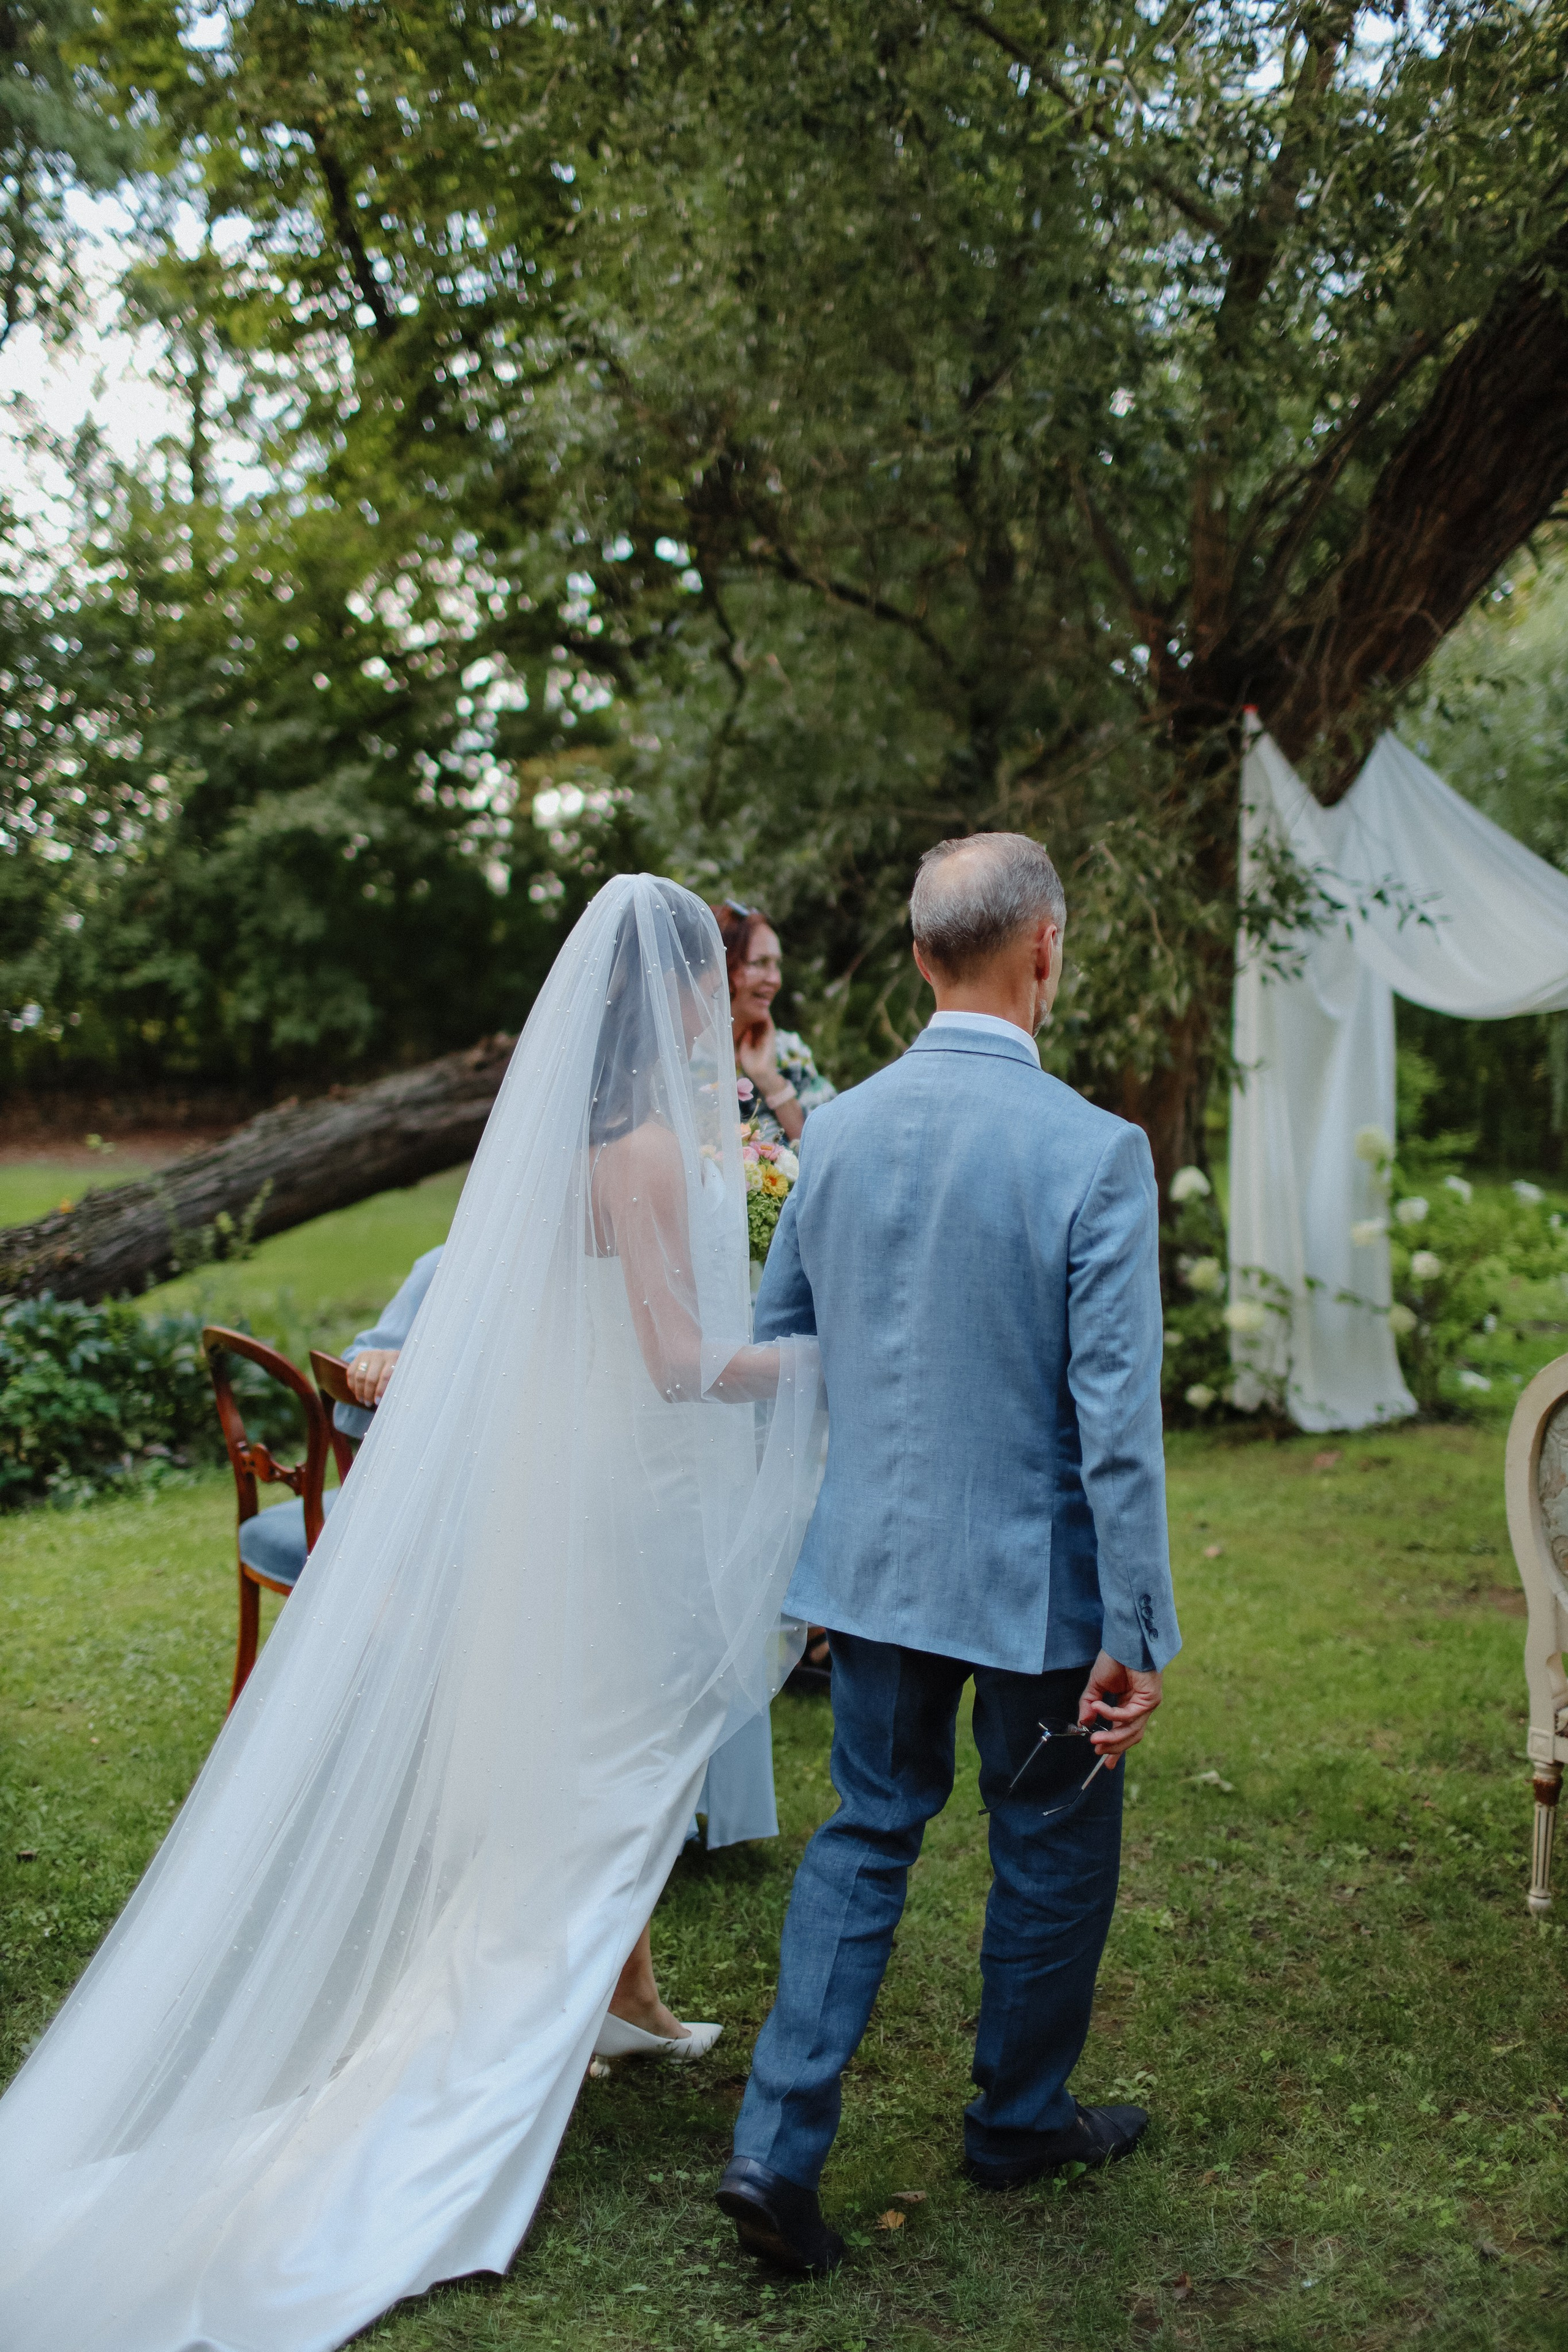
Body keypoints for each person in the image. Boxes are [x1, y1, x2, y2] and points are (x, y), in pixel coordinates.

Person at [0, 878, 825, 2352]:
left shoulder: (578, 1134)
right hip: (616, 1488)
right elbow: (673, 1359)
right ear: (675, 995)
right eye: (713, 977)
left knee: (590, 1742)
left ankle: (625, 2002)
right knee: (619, 1757)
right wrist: (812, 1362)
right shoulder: (640, 1145)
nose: (728, 998)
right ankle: (521, 2033)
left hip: (572, 1480)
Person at [716, 832, 1180, 2277]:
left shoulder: (836, 1131)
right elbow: (1116, 1426)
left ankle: (771, 2154)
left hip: (867, 1566)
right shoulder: (1095, 1154)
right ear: (1044, 946)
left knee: (865, 1833)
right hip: (1033, 1588)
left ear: (922, 957)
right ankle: (1018, 2122)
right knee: (1049, 1847)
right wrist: (1136, 1626)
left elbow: (783, 1323)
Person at [714, 898, 836, 1691]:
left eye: (776, 963)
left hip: (776, 1270)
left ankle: (806, 1623)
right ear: (723, 966)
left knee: (791, 1445)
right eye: (759, 961)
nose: (772, 976)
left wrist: (767, 1081)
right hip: (702, 1261)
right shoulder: (678, 1050)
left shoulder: (784, 1049)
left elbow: (829, 1150)